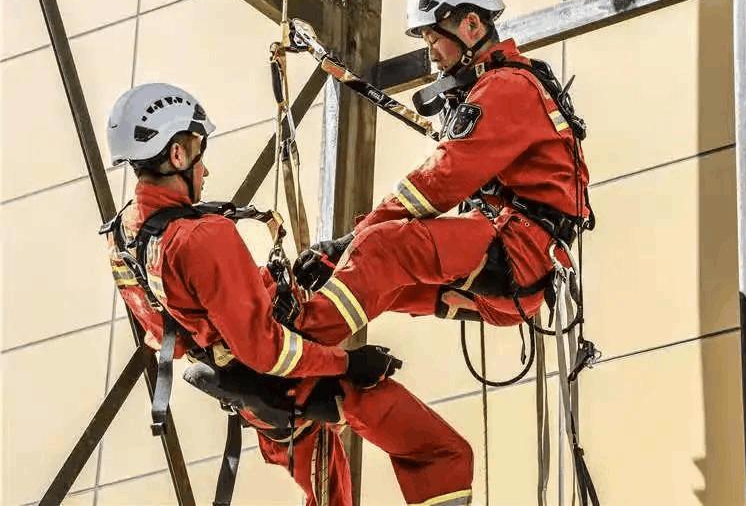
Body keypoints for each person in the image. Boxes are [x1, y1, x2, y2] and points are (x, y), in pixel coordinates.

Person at [104, 83, 474, 506]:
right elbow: (268, 351)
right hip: (292, 382)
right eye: (199, 153)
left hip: (252, 396)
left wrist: (254, 291)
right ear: (177, 155)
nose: (205, 170)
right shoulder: (203, 237)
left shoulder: (123, 236)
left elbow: (167, 332)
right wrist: (350, 362)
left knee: (332, 495)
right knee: (442, 453)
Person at [288, 0, 592, 344]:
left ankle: (294, 343)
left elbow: (440, 181)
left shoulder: (506, 88)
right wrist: (341, 259)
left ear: (470, 25)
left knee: (378, 248)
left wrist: (347, 242)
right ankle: (302, 336)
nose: (432, 53)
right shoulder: (503, 86)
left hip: (518, 251)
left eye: (434, 39)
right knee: (381, 283)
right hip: (520, 271)